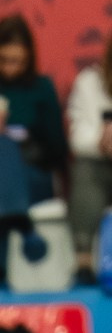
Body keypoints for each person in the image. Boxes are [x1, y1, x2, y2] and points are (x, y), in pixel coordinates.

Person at [0, 16, 66, 280]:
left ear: (29, 58)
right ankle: (23, 226)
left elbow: (57, 149)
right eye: (3, 60)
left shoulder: (41, 88)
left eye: (17, 61)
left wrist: (23, 143)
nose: (9, 68)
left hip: (31, 176)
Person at [65, 33, 112, 284]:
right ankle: (83, 263)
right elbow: (78, 139)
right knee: (85, 170)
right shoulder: (89, 82)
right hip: (98, 163)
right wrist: (101, 142)